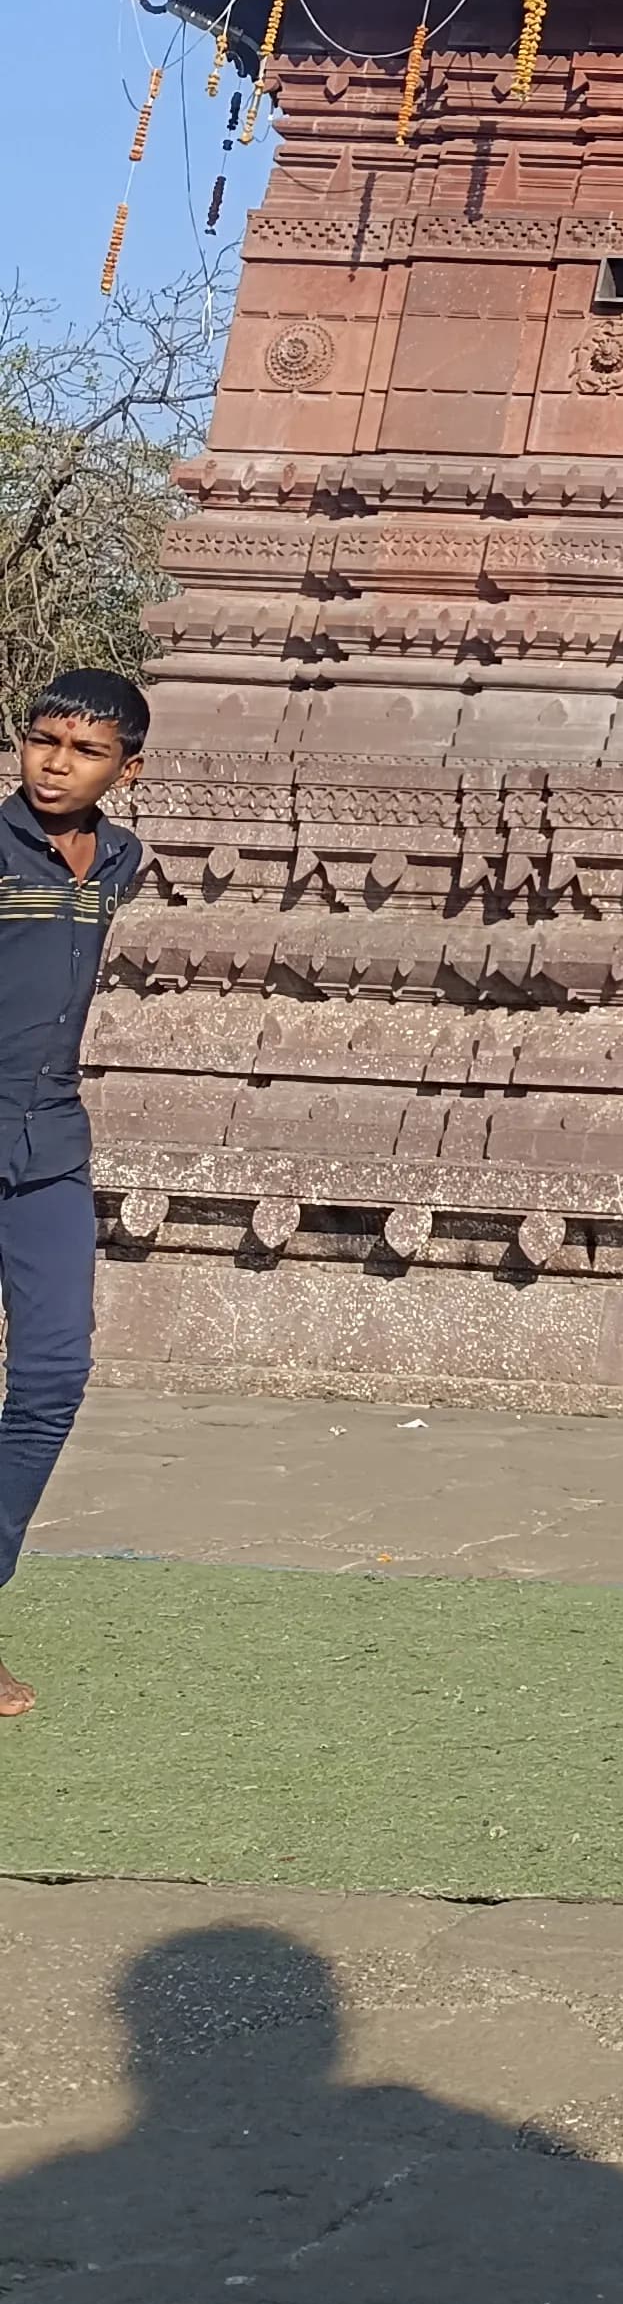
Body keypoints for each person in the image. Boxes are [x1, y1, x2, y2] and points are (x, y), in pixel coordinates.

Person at [0, 669, 148, 1719]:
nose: (54, 762)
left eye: (82, 750)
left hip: (49, 1143)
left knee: (54, 1373)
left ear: (124, 769)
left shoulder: (120, 863)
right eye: (41, 741)